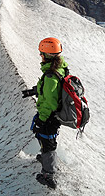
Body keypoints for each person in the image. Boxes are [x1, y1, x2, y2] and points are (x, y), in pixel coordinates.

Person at [31, 37, 68, 189]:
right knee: (44, 138)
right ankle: (46, 160)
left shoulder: (51, 76)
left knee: (48, 142)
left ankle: (48, 174)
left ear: (48, 55)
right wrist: (36, 90)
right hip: (54, 116)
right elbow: (51, 91)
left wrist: (42, 119)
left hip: (50, 117)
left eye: (42, 53)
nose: (40, 56)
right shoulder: (59, 69)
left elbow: (50, 103)